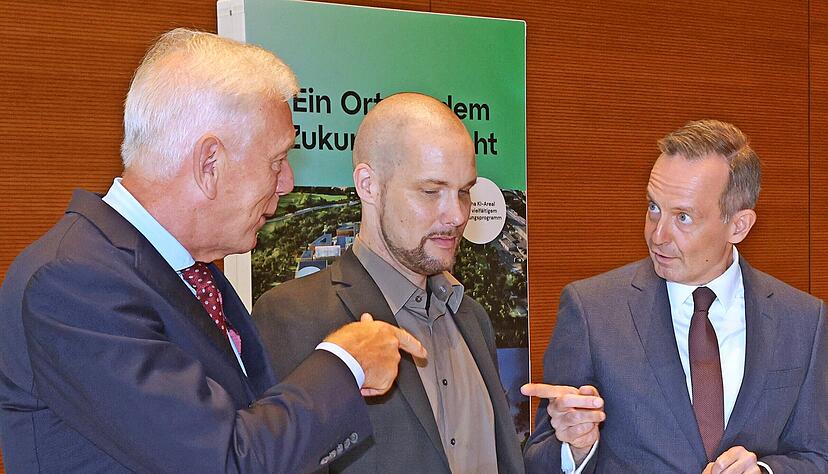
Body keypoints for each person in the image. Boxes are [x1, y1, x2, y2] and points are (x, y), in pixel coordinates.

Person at [0, 28, 427, 473]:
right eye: (277, 161)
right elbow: (225, 462)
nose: (287, 183)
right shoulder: (72, 282)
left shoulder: (190, 271)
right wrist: (346, 362)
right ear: (210, 164)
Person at [522, 119, 827, 474]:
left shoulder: (804, 320)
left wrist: (764, 471)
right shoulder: (592, 310)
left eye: (682, 216)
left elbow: (817, 455)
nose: (658, 235)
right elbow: (538, 460)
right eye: (654, 207)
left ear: (738, 225)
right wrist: (575, 448)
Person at [253, 93, 525, 473]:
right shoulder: (294, 316)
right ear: (369, 185)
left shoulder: (472, 318)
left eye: (464, 191)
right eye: (431, 191)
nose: (457, 214)